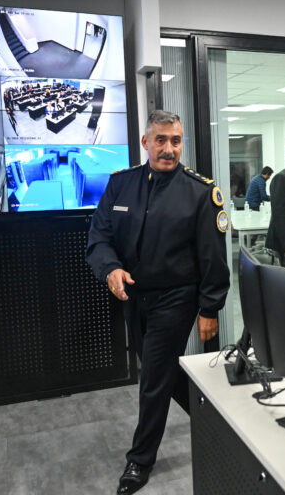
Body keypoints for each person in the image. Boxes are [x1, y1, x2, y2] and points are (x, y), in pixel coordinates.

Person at [86, 110, 229, 495]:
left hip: (176, 297)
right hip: (133, 296)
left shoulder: (200, 192)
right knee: (162, 370)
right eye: (161, 140)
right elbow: (98, 238)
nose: (169, 149)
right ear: (146, 141)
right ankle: (220, 422)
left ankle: (140, 459)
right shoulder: (120, 185)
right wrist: (110, 269)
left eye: (176, 141)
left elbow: (213, 256)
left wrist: (210, 307)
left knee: (152, 377)